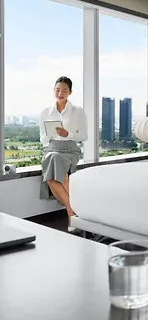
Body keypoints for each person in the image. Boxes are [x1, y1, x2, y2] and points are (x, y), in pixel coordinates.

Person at [39, 76, 88, 223]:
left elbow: (84, 136)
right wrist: (50, 134)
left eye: (64, 91)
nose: (60, 93)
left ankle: (71, 212)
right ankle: (71, 211)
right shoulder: (45, 112)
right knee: (53, 158)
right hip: (51, 149)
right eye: (57, 90)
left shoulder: (78, 111)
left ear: (70, 92)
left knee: (52, 166)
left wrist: (68, 134)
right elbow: (43, 140)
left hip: (70, 150)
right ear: (53, 90)